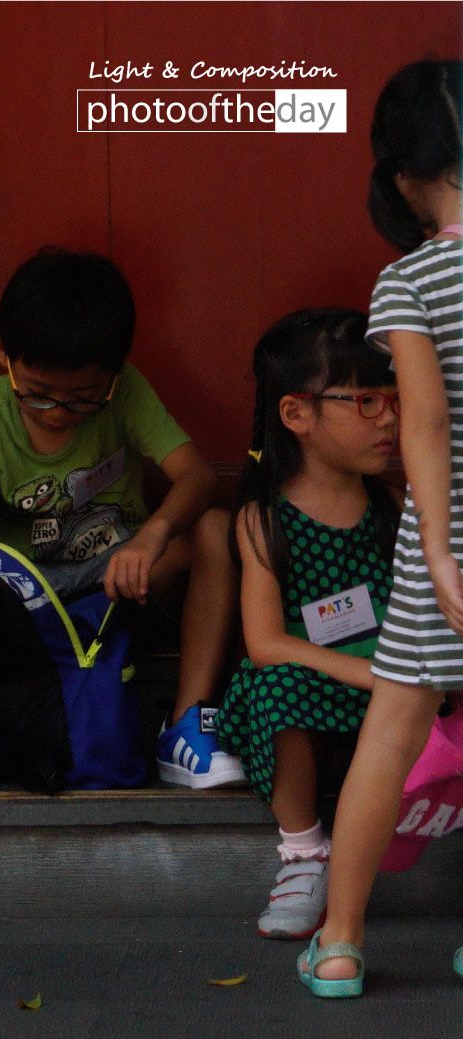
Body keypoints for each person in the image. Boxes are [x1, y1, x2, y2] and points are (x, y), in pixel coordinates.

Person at [0, 248, 239, 792]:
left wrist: (152, 537)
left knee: (216, 529)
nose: (56, 411)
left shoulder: (127, 393)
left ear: (114, 374)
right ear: (2, 353)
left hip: (119, 582)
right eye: (36, 393)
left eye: (82, 400)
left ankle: (187, 724)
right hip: (19, 600)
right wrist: (0, 599)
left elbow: (197, 476)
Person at [299, 58, 463, 998]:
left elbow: (428, 423)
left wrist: (439, 547)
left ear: (403, 178)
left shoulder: (407, 280)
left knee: (390, 735)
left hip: (447, 533)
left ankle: (341, 941)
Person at [217, 309, 400, 941]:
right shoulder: (263, 519)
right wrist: (363, 671)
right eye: (367, 402)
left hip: (391, 682)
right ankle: (304, 853)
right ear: (297, 415)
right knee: (277, 691)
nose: (390, 420)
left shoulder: (388, 503)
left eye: (395, 400)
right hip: (317, 677)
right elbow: (265, 644)